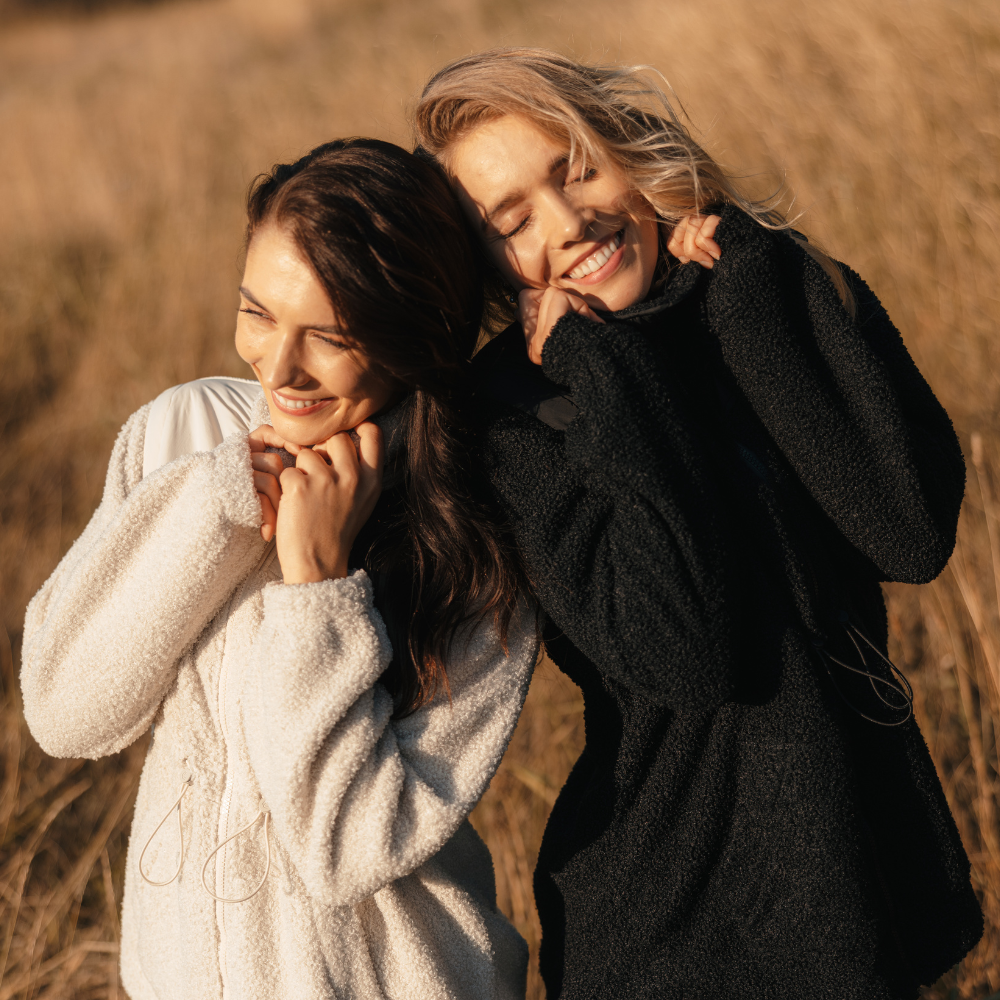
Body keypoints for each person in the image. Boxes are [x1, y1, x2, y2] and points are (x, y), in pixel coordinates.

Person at [414, 48, 984, 999]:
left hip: (863, 881)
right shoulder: (513, 421)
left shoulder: (771, 291)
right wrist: (610, 380)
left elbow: (907, 532)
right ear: (488, 272)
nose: (568, 221)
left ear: (628, 148)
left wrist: (756, 297)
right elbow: (688, 651)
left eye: (578, 167)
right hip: (677, 928)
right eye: (512, 221)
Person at [20, 138, 538, 1000]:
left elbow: (348, 850)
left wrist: (318, 588)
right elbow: (65, 711)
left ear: (416, 335)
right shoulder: (183, 438)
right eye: (257, 312)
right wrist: (216, 504)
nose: (280, 368)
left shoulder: (479, 538)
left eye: (331, 336)